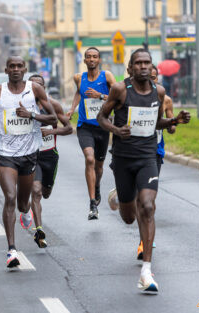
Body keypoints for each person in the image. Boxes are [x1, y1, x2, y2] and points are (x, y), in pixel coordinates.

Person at [97, 48, 190, 293]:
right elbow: (101, 117)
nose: (143, 67)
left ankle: (146, 271)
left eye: (147, 62)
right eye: (138, 63)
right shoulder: (119, 90)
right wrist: (116, 131)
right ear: (130, 68)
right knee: (129, 217)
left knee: (147, 206)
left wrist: (174, 121)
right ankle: (119, 195)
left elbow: (155, 121)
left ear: (152, 66)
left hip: (148, 156)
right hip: (123, 158)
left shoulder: (159, 91)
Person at [0, 56, 57, 268]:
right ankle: (12, 250)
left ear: (25, 69)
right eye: (12, 66)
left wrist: (31, 114)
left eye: (19, 66)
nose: (15, 69)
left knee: (23, 203)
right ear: (6, 70)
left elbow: (52, 119)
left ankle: (25, 212)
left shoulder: (35, 90)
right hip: (5, 154)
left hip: (29, 154)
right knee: (10, 196)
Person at [108, 64, 176, 260]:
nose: (151, 81)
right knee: (134, 204)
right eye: (150, 77)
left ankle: (143, 244)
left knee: (147, 203)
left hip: (153, 152)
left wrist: (174, 122)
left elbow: (168, 124)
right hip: (128, 153)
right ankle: (123, 194)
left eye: (155, 78)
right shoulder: (128, 95)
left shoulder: (164, 97)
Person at [66, 47, 116, 220]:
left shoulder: (107, 76)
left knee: (99, 167)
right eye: (89, 57)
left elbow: (117, 97)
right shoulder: (79, 78)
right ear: (85, 60)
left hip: (102, 126)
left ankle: (97, 185)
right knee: (89, 158)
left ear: (99, 59)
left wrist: (100, 96)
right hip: (85, 126)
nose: (92, 59)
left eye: (95, 57)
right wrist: (72, 108)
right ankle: (92, 203)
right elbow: (78, 94)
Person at [28, 74, 72, 248]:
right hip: (32, 156)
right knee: (36, 191)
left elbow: (69, 128)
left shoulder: (53, 105)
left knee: (45, 193)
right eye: (32, 86)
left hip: (50, 155)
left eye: (39, 86)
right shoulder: (23, 106)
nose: (36, 89)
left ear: (44, 88)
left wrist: (52, 132)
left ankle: (36, 220)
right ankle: (39, 230)